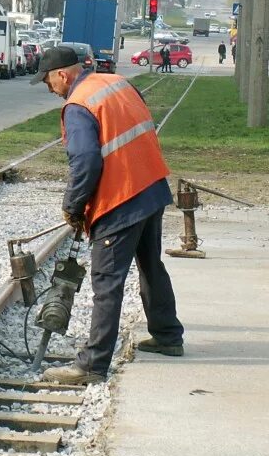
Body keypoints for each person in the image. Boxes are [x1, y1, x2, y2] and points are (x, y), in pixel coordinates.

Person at [32, 46, 184, 386]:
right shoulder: (118, 82)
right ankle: (168, 335)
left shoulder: (78, 104)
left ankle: (93, 365)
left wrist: (73, 206)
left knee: (107, 283)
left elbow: (85, 161)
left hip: (121, 200)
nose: (48, 88)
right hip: (151, 185)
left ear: (63, 75)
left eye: (47, 81)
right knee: (151, 265)